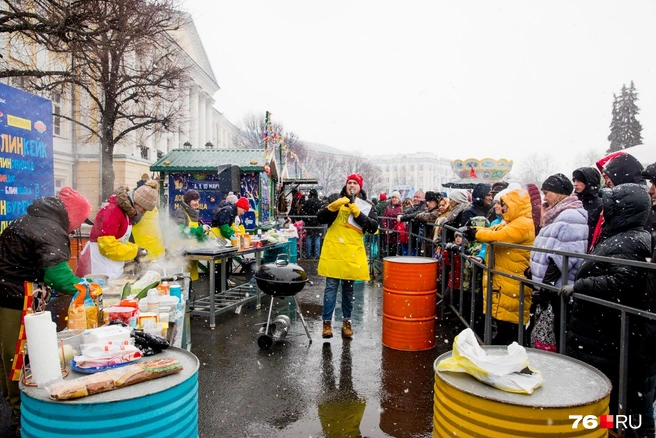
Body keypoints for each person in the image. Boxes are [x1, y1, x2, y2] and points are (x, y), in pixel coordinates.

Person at [560, 184, 652, 432]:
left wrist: (580, 285)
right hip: (598, 330)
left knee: (610, 397)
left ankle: (603, 429)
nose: (603, 211)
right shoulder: (620, 235)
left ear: (623, 211)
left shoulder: (630, 241)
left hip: (606, 332)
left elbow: (623, 280)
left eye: (609, 207)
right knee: (599, 390)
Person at [0, 187, 91, 434]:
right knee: (18, 355)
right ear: (71, 215)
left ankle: (16, 403)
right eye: (79, 222)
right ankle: (21, 413)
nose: (76, 228)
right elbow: (58, 276)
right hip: (15, 297)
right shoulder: (49, 228)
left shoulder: (35, 220)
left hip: (13, 292)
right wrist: (88, 290)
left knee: (11, 354)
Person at [463, 188, 535, 345]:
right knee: (504, 324)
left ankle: (511, 358)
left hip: (514, 282)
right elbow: (492, 230)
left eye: (504, 204)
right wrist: (475, 230)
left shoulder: (523, 224)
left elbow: (499, 236)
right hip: (506, 281)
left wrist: (475, 234)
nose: (501, 207)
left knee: (512, 328)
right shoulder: (510, 222)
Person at [528, 173, 588, 350]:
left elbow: (562, 255)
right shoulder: (558, 214)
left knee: (552, 337)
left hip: (556, 289)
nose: (545, 197)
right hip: (550, 287)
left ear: (559, 192)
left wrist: (547, 285)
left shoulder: (570, 215)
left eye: (548, 192)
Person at [317, 174, 378, 339]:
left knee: (348, 291)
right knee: (330, 289)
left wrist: (358, 214)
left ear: (360, 187)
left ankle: (346, 322)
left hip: (351, 253)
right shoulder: (336, 201)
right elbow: (319, 218)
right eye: (349, 182)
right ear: (345, 185)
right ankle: (327, 323)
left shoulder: (366, 206)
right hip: (334, 252)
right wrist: (331, 208)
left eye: (355, 183)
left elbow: (373, 227)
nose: (352, 185)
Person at [76, 182, 159, 280]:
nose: (143, 213)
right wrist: (134, 251)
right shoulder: (113, 211)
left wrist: (136, 249)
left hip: (111, 265)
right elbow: (107, 246)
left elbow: (120, 241)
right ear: (137, 202)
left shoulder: (126, 213)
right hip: (98, 267)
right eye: (143, 209)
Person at [590, 151, 645, 250]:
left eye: (608, 176)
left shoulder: (640, 202)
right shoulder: (611, 199)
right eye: (604, 177)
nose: (607, 181)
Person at [171, 189, 211, 281]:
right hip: (182, 254)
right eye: (194, 200)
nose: (197, 203)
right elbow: (181, 232)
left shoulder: (193, 213)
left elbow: (196, 234)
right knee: (182, 283)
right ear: (188, 201)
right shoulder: (180, 212)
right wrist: (200, 229)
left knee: (191, 282)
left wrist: (207, 239)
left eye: (198, 200)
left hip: (191, 253)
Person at [572, 167, 602, 250]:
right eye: (574, 181)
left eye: (579, 181)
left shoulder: (600, 204)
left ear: (589, 182)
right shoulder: (573, 201)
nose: (575, 184)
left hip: (591, 249)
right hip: (575, 248)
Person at [300, 188, 323, 259]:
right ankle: (317, 255)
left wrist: (306, 219)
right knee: (317, 238)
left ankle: (308, 254)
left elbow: (302, 212)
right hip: (317, 223)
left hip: (309, 223)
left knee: (309, 238)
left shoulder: (307, 202)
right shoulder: (319, 202)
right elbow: (322, 212)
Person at [381, 191, 403, 256]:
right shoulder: (388, 207)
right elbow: (384, 219)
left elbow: (400, 222)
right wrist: (385, 229)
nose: (394, 199)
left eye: (396, 198)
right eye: (393, 197)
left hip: (396, 235)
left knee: (395, 253)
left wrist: (392, 230)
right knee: (388, 253)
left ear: (399, 199)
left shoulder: (401, 208)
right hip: (387, 235)